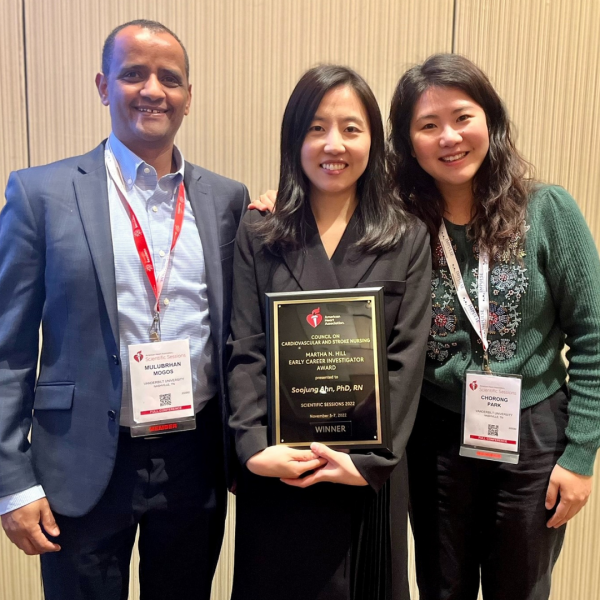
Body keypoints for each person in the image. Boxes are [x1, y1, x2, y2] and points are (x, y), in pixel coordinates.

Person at [0, 19, 248, 600]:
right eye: (133, 74)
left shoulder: (227, 200)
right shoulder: (40, 194)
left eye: (170, 78)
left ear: (189, 96)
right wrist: (12, 482)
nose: (153, 89)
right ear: (103, 86)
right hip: (81, 461)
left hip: (195, 459)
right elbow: (7, 351)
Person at [388, 53, 600, 600]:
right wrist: (278, 206)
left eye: (462, 117)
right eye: (428, 125)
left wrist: (580, 456)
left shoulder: (547, 210)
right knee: (441, 585)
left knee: (521, 587)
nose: (449, 137)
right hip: (436, 434)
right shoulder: (400, 225)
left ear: (491, 121)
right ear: (409, 142)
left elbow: (594, 336)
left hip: (532, 435)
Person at [227, 64, 431, 600]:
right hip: (281, 467)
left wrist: (370, 462)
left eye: (351, 128)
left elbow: (407, 357)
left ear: (374, 142)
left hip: (366, 476)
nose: (333, 144)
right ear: (294, 138)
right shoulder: (259, 231)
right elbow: (245, 349)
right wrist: (251, 449)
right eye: (316, 127)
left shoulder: (405, 235)